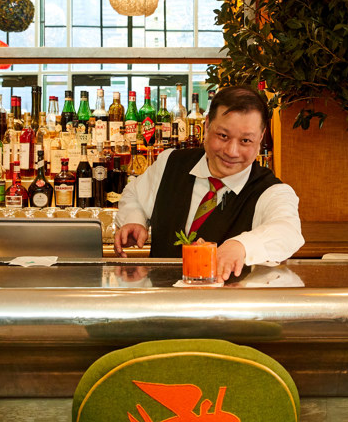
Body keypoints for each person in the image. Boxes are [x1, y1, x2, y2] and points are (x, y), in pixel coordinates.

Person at [114, 85, 304, 280]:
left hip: (225, 306)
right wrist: (134, 220)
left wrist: (241, 246)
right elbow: (134, 194)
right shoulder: (170, 162)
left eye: (246, 141)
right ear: (206, 126)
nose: (232, 151)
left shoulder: (272, 190)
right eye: (223, 136)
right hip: (163, 304)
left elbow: (287, 230)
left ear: (261, 138)